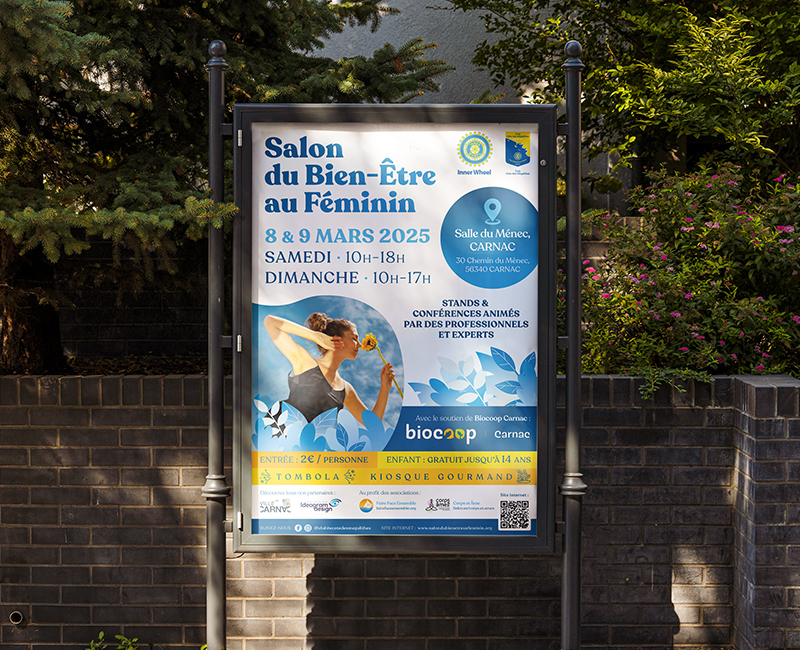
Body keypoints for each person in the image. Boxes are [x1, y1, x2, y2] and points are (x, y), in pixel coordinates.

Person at [264, 312, 394, 424]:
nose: (359, 345)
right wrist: (315, 336)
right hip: (277, 438)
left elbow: (373, 423)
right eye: (354, 338)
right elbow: (270, 322)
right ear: (337, 339)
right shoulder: (305, 362)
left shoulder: (346, 389)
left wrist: (385, 387)